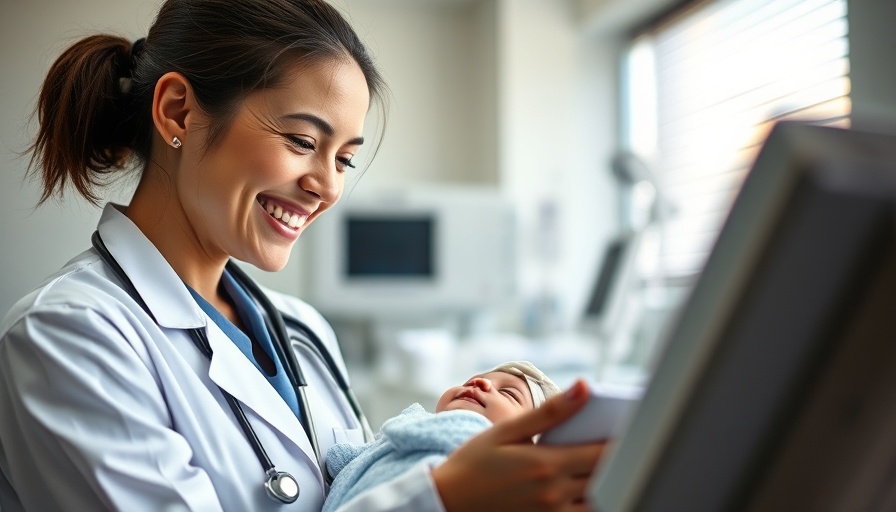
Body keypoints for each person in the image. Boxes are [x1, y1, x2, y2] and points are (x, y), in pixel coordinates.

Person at [0, 0, 605, 510]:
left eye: (342, 158)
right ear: (177, 110)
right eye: (302, 141)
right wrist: (441, 497)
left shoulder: (303, 334)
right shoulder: (67, 337)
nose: (328, 186)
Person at [323, 361, 561, 511]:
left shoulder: (481, 453)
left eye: (508, 393)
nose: (481, 383)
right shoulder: (411, 428)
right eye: (472, 380)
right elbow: (348, 461)